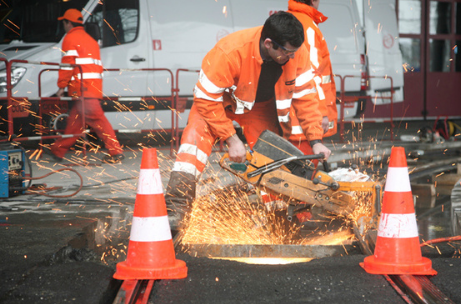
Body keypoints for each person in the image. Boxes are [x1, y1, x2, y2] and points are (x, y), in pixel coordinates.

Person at [165, 11, 331, 227]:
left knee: (272, 158)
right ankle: (176, 211)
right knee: (192, 147)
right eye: (287, 53)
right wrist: (232, 139)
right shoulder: (229, 52)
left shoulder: (296, 52)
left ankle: (280, 219)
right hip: (216, 105)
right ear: (269, 43)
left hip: (257, 107)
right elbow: (205, 99)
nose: (291, 57)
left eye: (294, 52)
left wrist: (316, 139)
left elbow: (305, 99)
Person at [48, 9, 124, 164]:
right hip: (92, 89)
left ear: (68, 23)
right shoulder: (91, 40)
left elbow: (67, 65)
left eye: (63, 22)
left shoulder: (70, 38)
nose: (63, 25)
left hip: (82, 89)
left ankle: (116, 151)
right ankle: (58, 151)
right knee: (75, 123)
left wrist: (61, 88)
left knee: (98, 121)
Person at [287, 0, 338, 165]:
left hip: (294, 115)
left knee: (284, 174)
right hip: (305, 118)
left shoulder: (292, 20)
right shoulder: (307, 26)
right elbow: (312, 73)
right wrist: (321, 112)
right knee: (302, 175)